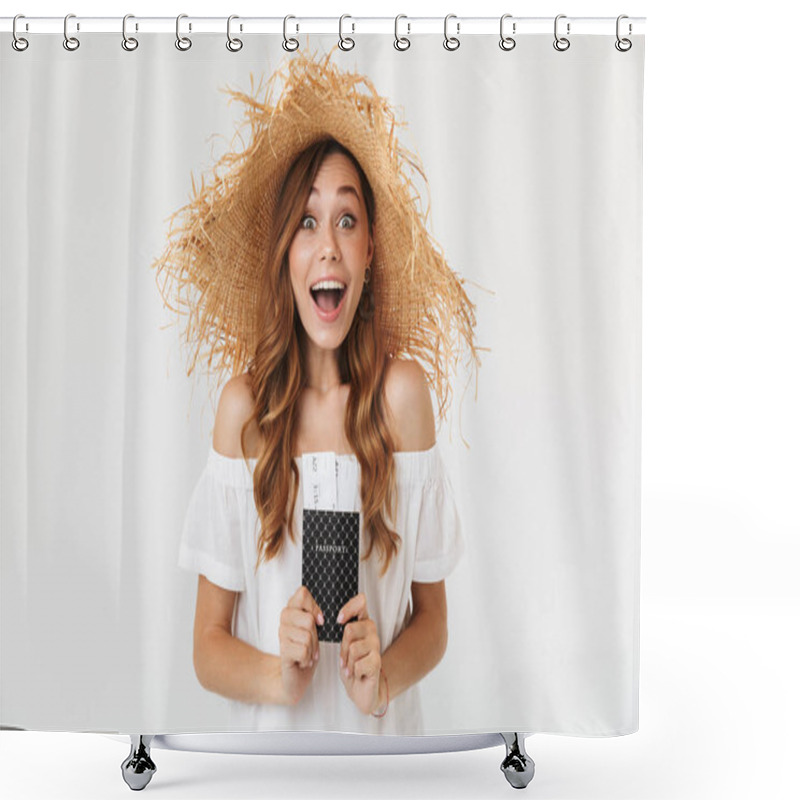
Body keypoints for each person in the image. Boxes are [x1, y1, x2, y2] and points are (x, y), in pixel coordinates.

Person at [153, 48, 480, 734]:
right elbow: (206, 649)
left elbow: (436, 620)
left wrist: (382, 674)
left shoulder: (402, 398)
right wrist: (280, 672)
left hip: (383, 769)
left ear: (368, 253)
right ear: (285, 256)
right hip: (271, 771)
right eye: (306, 221)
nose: (327, 246)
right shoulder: (244, 411)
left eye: (347, 219)